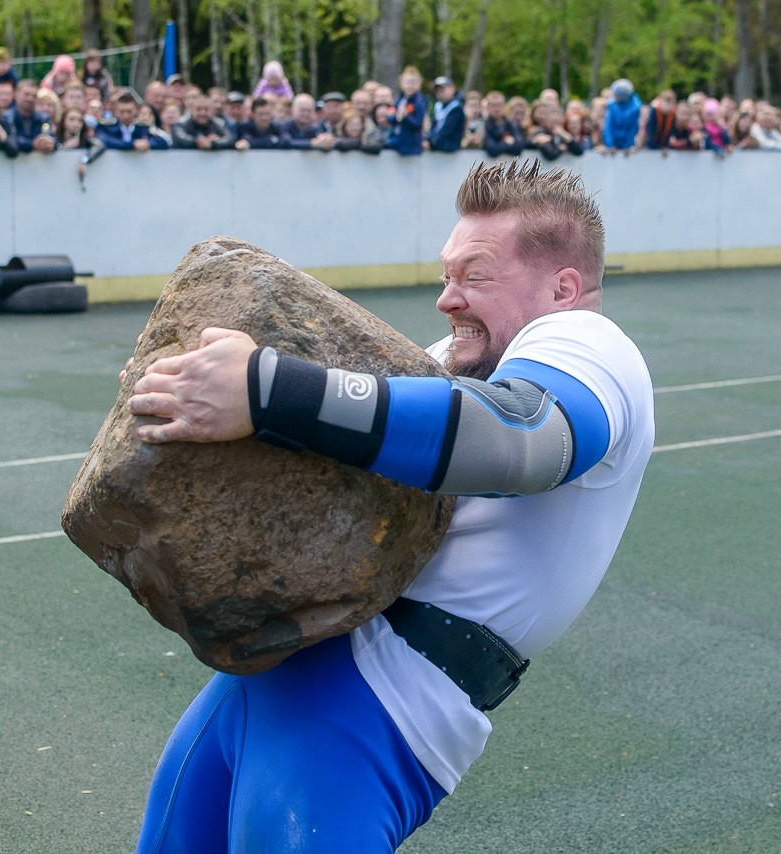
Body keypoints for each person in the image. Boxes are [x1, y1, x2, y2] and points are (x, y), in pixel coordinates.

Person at [123, 158, 654, 852]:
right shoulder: (453, 360)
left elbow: (522, 437)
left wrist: (266, 388)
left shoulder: (590, 342)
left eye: (476, 276)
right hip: (276, 671)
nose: (448, 297)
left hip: (378, 700)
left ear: (563, 286)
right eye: (447, 274)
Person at [171, 95, 236, 150]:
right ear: (191, 110)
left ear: (212, 111)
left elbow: (230, 139)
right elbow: (180, 140)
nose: (202, 113)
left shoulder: (219, 123)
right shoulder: (180, 123)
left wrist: (213, 143)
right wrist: (198, 142)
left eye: (206, 109)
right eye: (198, 109)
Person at [388, 66, 427, 156]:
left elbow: (417, 123)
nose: (410, 85)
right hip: (397, 140)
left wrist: (405, 117)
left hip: (411, 146)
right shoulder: (399, 99)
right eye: (408, 82)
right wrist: (398, 117)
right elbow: (390, 117)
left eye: (414, 82)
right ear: (401, 83)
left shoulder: (419, 102)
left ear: (419, 84)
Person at [602, 78, 641, 154]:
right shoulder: (611, 105)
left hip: (628, 147)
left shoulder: (635, 108)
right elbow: (608, 127)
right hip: (612, 146)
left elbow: (632, 128)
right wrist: (610, 145)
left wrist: (627, 146)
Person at [426, 76, 465, 152]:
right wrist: (427, 139)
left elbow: (446, 131)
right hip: (439, 148)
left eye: (442, 89)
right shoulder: (438, 106)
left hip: (450, 149)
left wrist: (431, 143)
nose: (440, 93)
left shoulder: (456, 108)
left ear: (452, 89)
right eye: (437, 90)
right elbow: (434, 126)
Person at [481, 90, 524, 157]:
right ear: (488, 107)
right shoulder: (484, 125)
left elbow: (519, 148)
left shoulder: (511, 124)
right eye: (493, 105)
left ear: (504, 106)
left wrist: (499, 145)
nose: (496, 109)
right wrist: (507, 143)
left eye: (499, 105)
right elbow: (492, 149)